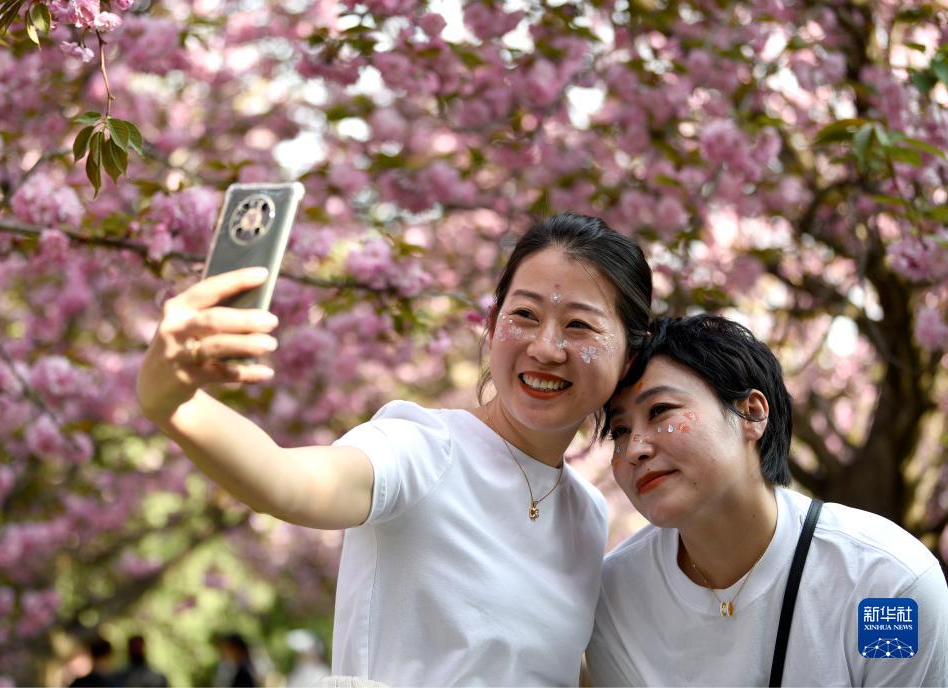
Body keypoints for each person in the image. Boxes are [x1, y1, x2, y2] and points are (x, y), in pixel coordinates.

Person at [137, 213, 652, 685]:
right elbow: (288, 482)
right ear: (492, 326)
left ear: (630, 356)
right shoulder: (423, 446)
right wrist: (174, 402)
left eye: (579, 325)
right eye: (524, 315)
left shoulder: (586, 515)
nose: (545, 347)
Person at [586, 314, 948, 686]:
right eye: (620, 430)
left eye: (660, 410)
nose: (635, 449)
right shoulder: (614, 599)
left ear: (751, 413)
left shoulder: (885, 586)